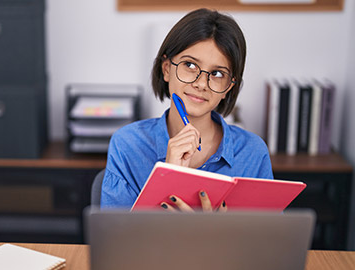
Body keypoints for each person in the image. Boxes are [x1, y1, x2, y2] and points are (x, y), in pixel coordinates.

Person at [100, 8, 273, 210]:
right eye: (190, 65)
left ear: (228, 87)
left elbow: (266, 239)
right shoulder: (127, 144)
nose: (201, 84)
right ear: (166, 69)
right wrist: (167, 178)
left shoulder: (253, 152)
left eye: (217, 73)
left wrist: (215, 233)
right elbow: (117, 237)